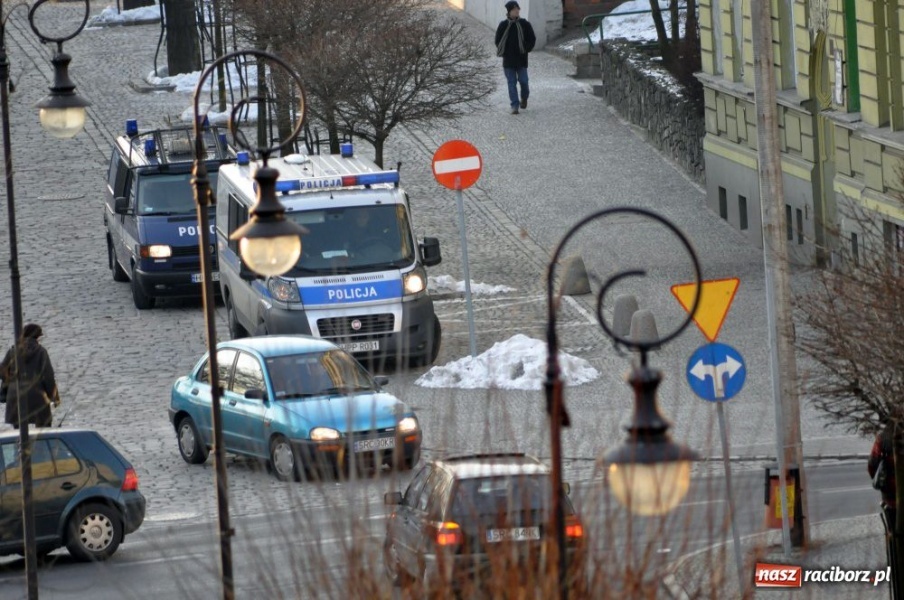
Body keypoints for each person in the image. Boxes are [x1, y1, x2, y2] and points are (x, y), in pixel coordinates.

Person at [0, 324, 60, 428]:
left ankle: (21, 438)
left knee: (18, 431)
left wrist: (10, 384)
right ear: (38, 337)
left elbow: (2, 371)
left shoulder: (12, 351)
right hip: (38, 397)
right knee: (44, 428)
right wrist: (54, 397)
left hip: (16, 396)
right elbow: (48, 376)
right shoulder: (41, 352)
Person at [495, 1, 536, 115]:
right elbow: (498, 41)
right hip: (508, 60)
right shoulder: (503, 25)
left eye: (518, 8)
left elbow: (532, 39)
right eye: (514, 9)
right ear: (509, 11)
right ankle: (514, 106)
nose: (517, 11)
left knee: (524, 81)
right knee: (511, 83)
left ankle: (524, 98)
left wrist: (526, 48)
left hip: (521, 59)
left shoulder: (524, 24)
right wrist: (505, 51)